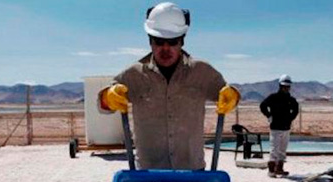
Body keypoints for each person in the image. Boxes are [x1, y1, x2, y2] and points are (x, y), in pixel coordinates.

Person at [98, 2, 240, 170]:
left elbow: (228, 95)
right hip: (148, 175)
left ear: (182, 41)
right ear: (150, 41)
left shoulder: (203, 72)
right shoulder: (134, 74)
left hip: (192, 172)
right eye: (159, 42)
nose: (165, 48)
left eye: (172, 42)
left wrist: (233, 96)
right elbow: (103, 106)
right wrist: (108, 97)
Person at [260, 74, 299, 177]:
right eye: (284, 86)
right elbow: (263, 105)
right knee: (274, 150)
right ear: (280, 86)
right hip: (276, 128)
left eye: (288, 86)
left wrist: (290, 118)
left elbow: (296, 109)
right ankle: (271, 170)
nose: (286, 88)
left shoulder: (291, 99)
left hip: (286, 128)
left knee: (282, 150)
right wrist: (268, 115)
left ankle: (279, 169)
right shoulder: (273, 97)